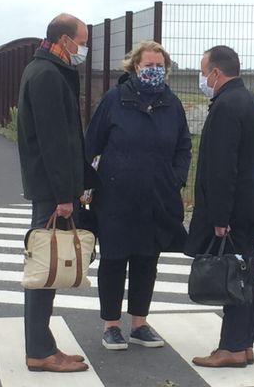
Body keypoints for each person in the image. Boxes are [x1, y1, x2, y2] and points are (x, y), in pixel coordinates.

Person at [85, 41, 191, 350]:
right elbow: (92, 143)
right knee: (114, 260)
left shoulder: (172, 104)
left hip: (156, 197)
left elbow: (183, 146)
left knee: (147, 260)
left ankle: (140, 323)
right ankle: (111, 325)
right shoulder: (114, 100)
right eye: (149, 66)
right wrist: (83, 185)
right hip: (115, 197)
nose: (155, 71)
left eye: (160, 66)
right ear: (135, 67)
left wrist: (176, 179)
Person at [186, 45, 254, 367]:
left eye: (202, 71)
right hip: (252, 202)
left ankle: (233, 347)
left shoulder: (226, 106)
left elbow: (222, 167)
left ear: (216, 73)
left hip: (234, 208)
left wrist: (219, 216)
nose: (202, 78)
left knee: (231, 276)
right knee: (246, 273)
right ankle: (243, 343)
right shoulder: (250, 102)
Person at [17, 13, 91, 372]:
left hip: (52, 187)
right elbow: (54, 141)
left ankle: (42, 345)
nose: (84, 49)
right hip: (52, 191)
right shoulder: (47, 75)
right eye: (82, 40)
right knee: (43, 267)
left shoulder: (47, 70)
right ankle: (40, 351)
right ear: (64, 39)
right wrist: (65, 195)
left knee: (44, 266)